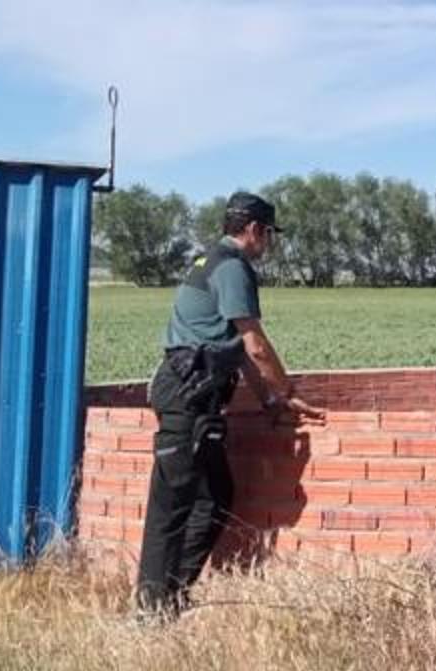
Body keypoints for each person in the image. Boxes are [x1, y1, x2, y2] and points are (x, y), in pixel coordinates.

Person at [135, 191, 323, 618]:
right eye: (270, 234)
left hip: (196, 393)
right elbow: (254, 344)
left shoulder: (213, 261)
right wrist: (288, 390)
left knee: (215, 495)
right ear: (255, 229)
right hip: (188, 393)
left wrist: (268, 399)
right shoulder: (232, 267)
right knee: (172, 505)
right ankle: (149, 612)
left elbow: (235, 348)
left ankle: (172, 598)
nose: (270, 244)